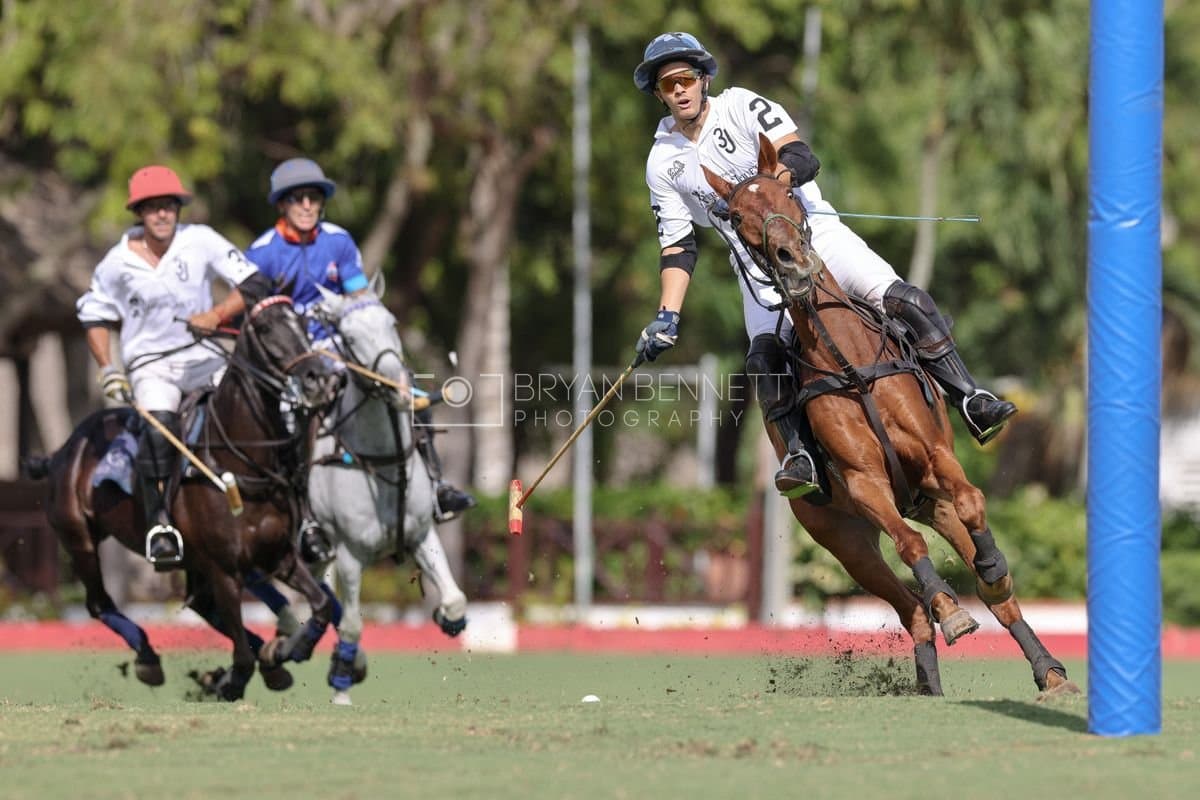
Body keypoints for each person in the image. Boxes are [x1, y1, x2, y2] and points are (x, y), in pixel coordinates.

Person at [632, 32, 1017, 499]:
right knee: (764, 361)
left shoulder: (741, 106)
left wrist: (771, 191)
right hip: (757, 268)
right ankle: (801, 456)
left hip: (815, 235)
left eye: (686, 78)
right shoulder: (662, 162)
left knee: (906, 300)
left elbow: (800, 155)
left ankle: (970, 398)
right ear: (659, 93)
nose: (679, 90)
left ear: (704, 79)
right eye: (668, 84)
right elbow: (677, 246)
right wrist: (667, 315)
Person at [244, 157, 475, 561]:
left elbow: (358, 294)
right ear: (282, 204)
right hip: (293, 359)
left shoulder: (338, 241)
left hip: (341, 347)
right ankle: (306, 517)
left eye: (314, 198)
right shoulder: (263, 253)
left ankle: (436, 486)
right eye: (298, 198)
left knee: (407, 390)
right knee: (289, 420)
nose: (307, 205)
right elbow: (257, 316)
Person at [77, 165, 272, 568]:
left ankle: (284, 505)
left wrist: (217, 314)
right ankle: (161, 524)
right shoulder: (116, 263)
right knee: (159, 428)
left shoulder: (200, 240)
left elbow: (254, 283)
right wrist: (108, 368)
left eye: (169, 206)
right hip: (152, 364)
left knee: (257, 407)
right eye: (153, 208)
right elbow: (94, 315)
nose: (163, 214)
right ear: (139, 213)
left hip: (204, 355)